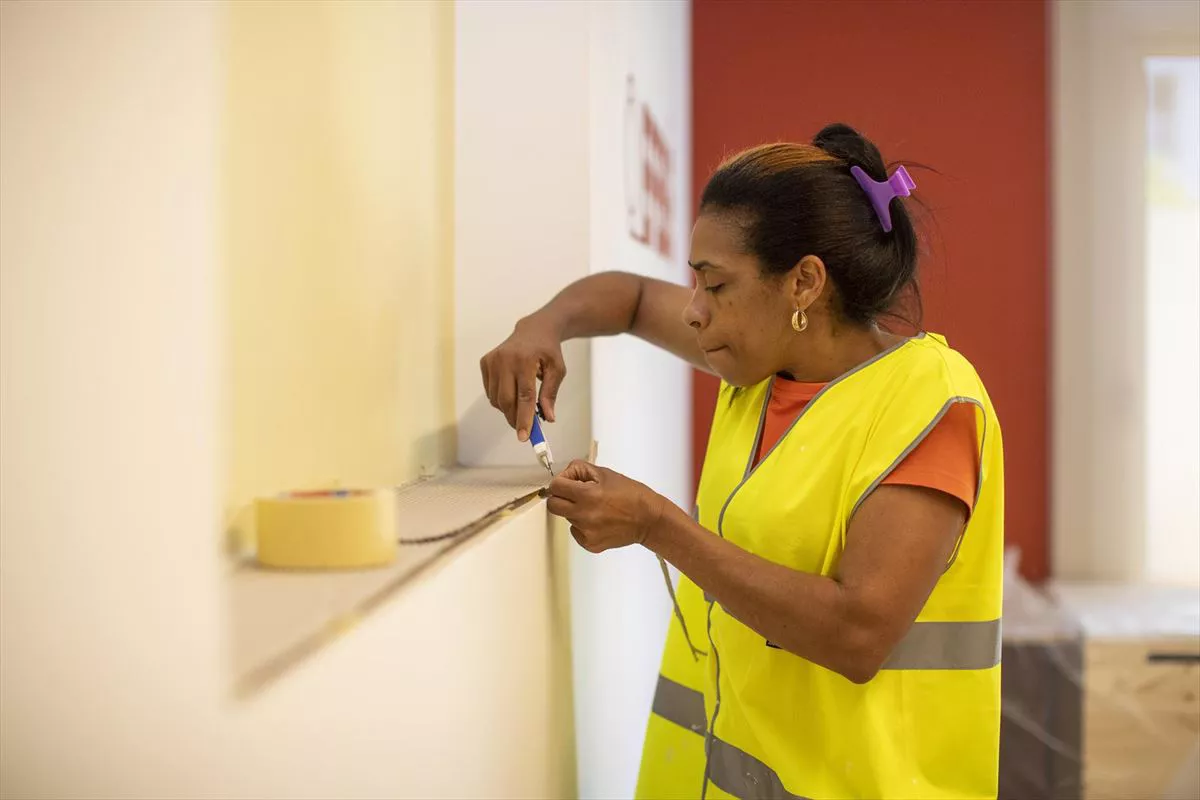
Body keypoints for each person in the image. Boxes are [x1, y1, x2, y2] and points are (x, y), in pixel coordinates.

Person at [480, 123, 1003, 799]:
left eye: (715, 285)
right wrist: (542, 327)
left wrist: (656, 527)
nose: (695, 313)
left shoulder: (930, 403)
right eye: (693, 284)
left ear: (804, 284)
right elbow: (632, 300)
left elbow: (858, 633)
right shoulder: (757, 364)